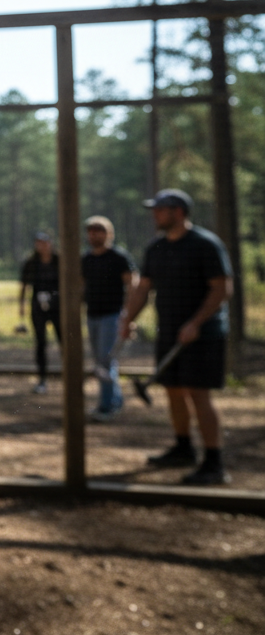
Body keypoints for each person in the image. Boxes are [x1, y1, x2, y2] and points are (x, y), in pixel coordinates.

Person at [118, 189, 234, 486]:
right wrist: (128, 318)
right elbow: (143, 288)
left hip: (203, 334)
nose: (155, 215)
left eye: (160, 209)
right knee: (173, 390)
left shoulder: (205, 245)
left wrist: (196, 323)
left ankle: (214, 461)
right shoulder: (156, 248)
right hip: (169, 331)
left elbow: (221, 288)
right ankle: (183, 448)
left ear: (179, 212)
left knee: (198, 393)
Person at [81, 215, 138, 421]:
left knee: (105, 361)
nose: (94, 234)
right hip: (92, 315)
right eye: (91, 230)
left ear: (109, 233)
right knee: (101, 360)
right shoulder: (86, 259)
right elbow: (81, 286)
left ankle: (106, 406)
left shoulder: (118, 257)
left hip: (112, 316)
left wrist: (128, 313)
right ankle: (115, 400)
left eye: (99, 230)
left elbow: (133, 285)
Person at [19, 231, 60, 394]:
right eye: (38, 243)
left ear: (50, 243)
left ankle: (69, 376)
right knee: (41, 343)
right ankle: (42, 379)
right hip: (37, 308)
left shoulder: (59, 260)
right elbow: (24, 285)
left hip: (58, 308)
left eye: (44, 242)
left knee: (63, 340)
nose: (41, 246)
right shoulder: (31, 262)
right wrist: (21, 305)